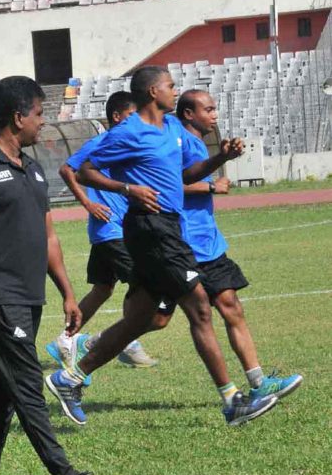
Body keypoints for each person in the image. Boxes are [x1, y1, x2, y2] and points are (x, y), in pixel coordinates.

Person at [45, 67, 279, 427]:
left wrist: (221, 159)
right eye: (170, 86)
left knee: (144, 318)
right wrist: (127, 189)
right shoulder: (129, 132)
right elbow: (83, 170)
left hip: (168, 227)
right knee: (200, 307)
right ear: (154, 91)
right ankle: (233, 402)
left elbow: (185, 175)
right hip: (150, 229)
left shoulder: (171, 129)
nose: (175, 91)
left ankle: (70, 378)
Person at [0, 75, 121, 475]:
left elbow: (48, 237)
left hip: (30, 297)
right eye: (40, 114)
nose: (44, 123)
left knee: (1, 394)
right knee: (27, 385)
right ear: (17, 115)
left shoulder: (32, 167)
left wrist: (67, 292)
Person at [153, 89, 301, 400]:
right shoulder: (171, 135)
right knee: (153, 319)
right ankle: (84, 361)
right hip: (180, 243)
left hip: (207, 243)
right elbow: (168, 184)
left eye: (215, 108)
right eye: (208, 109)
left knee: (231, 306)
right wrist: (211, 184)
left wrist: (222, 156)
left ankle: (259, 382)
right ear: (189, 114)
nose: (215, 114)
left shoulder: (194, 140)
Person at [46, 91, 159, 374]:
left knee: (103, 289)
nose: (138, 122)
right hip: (112, 230)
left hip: (112, 229)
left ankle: (65, 339)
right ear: (118, 117)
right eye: (132, 116)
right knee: (143, 288)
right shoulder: (100, 143)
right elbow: (66, 169)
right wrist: (88, 202)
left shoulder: (126, 145)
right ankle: (123, 342)